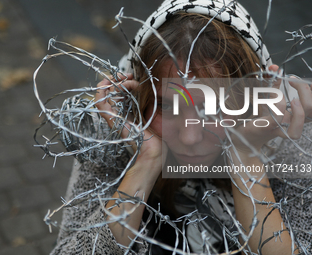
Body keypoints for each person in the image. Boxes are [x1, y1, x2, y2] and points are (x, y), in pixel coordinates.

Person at [49, 0, 312, 254]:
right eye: (166, 106)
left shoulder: (294, 144)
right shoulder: (113, 137)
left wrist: (245, 155)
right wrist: (146, 162)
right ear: (139, 96)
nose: (189, 136)